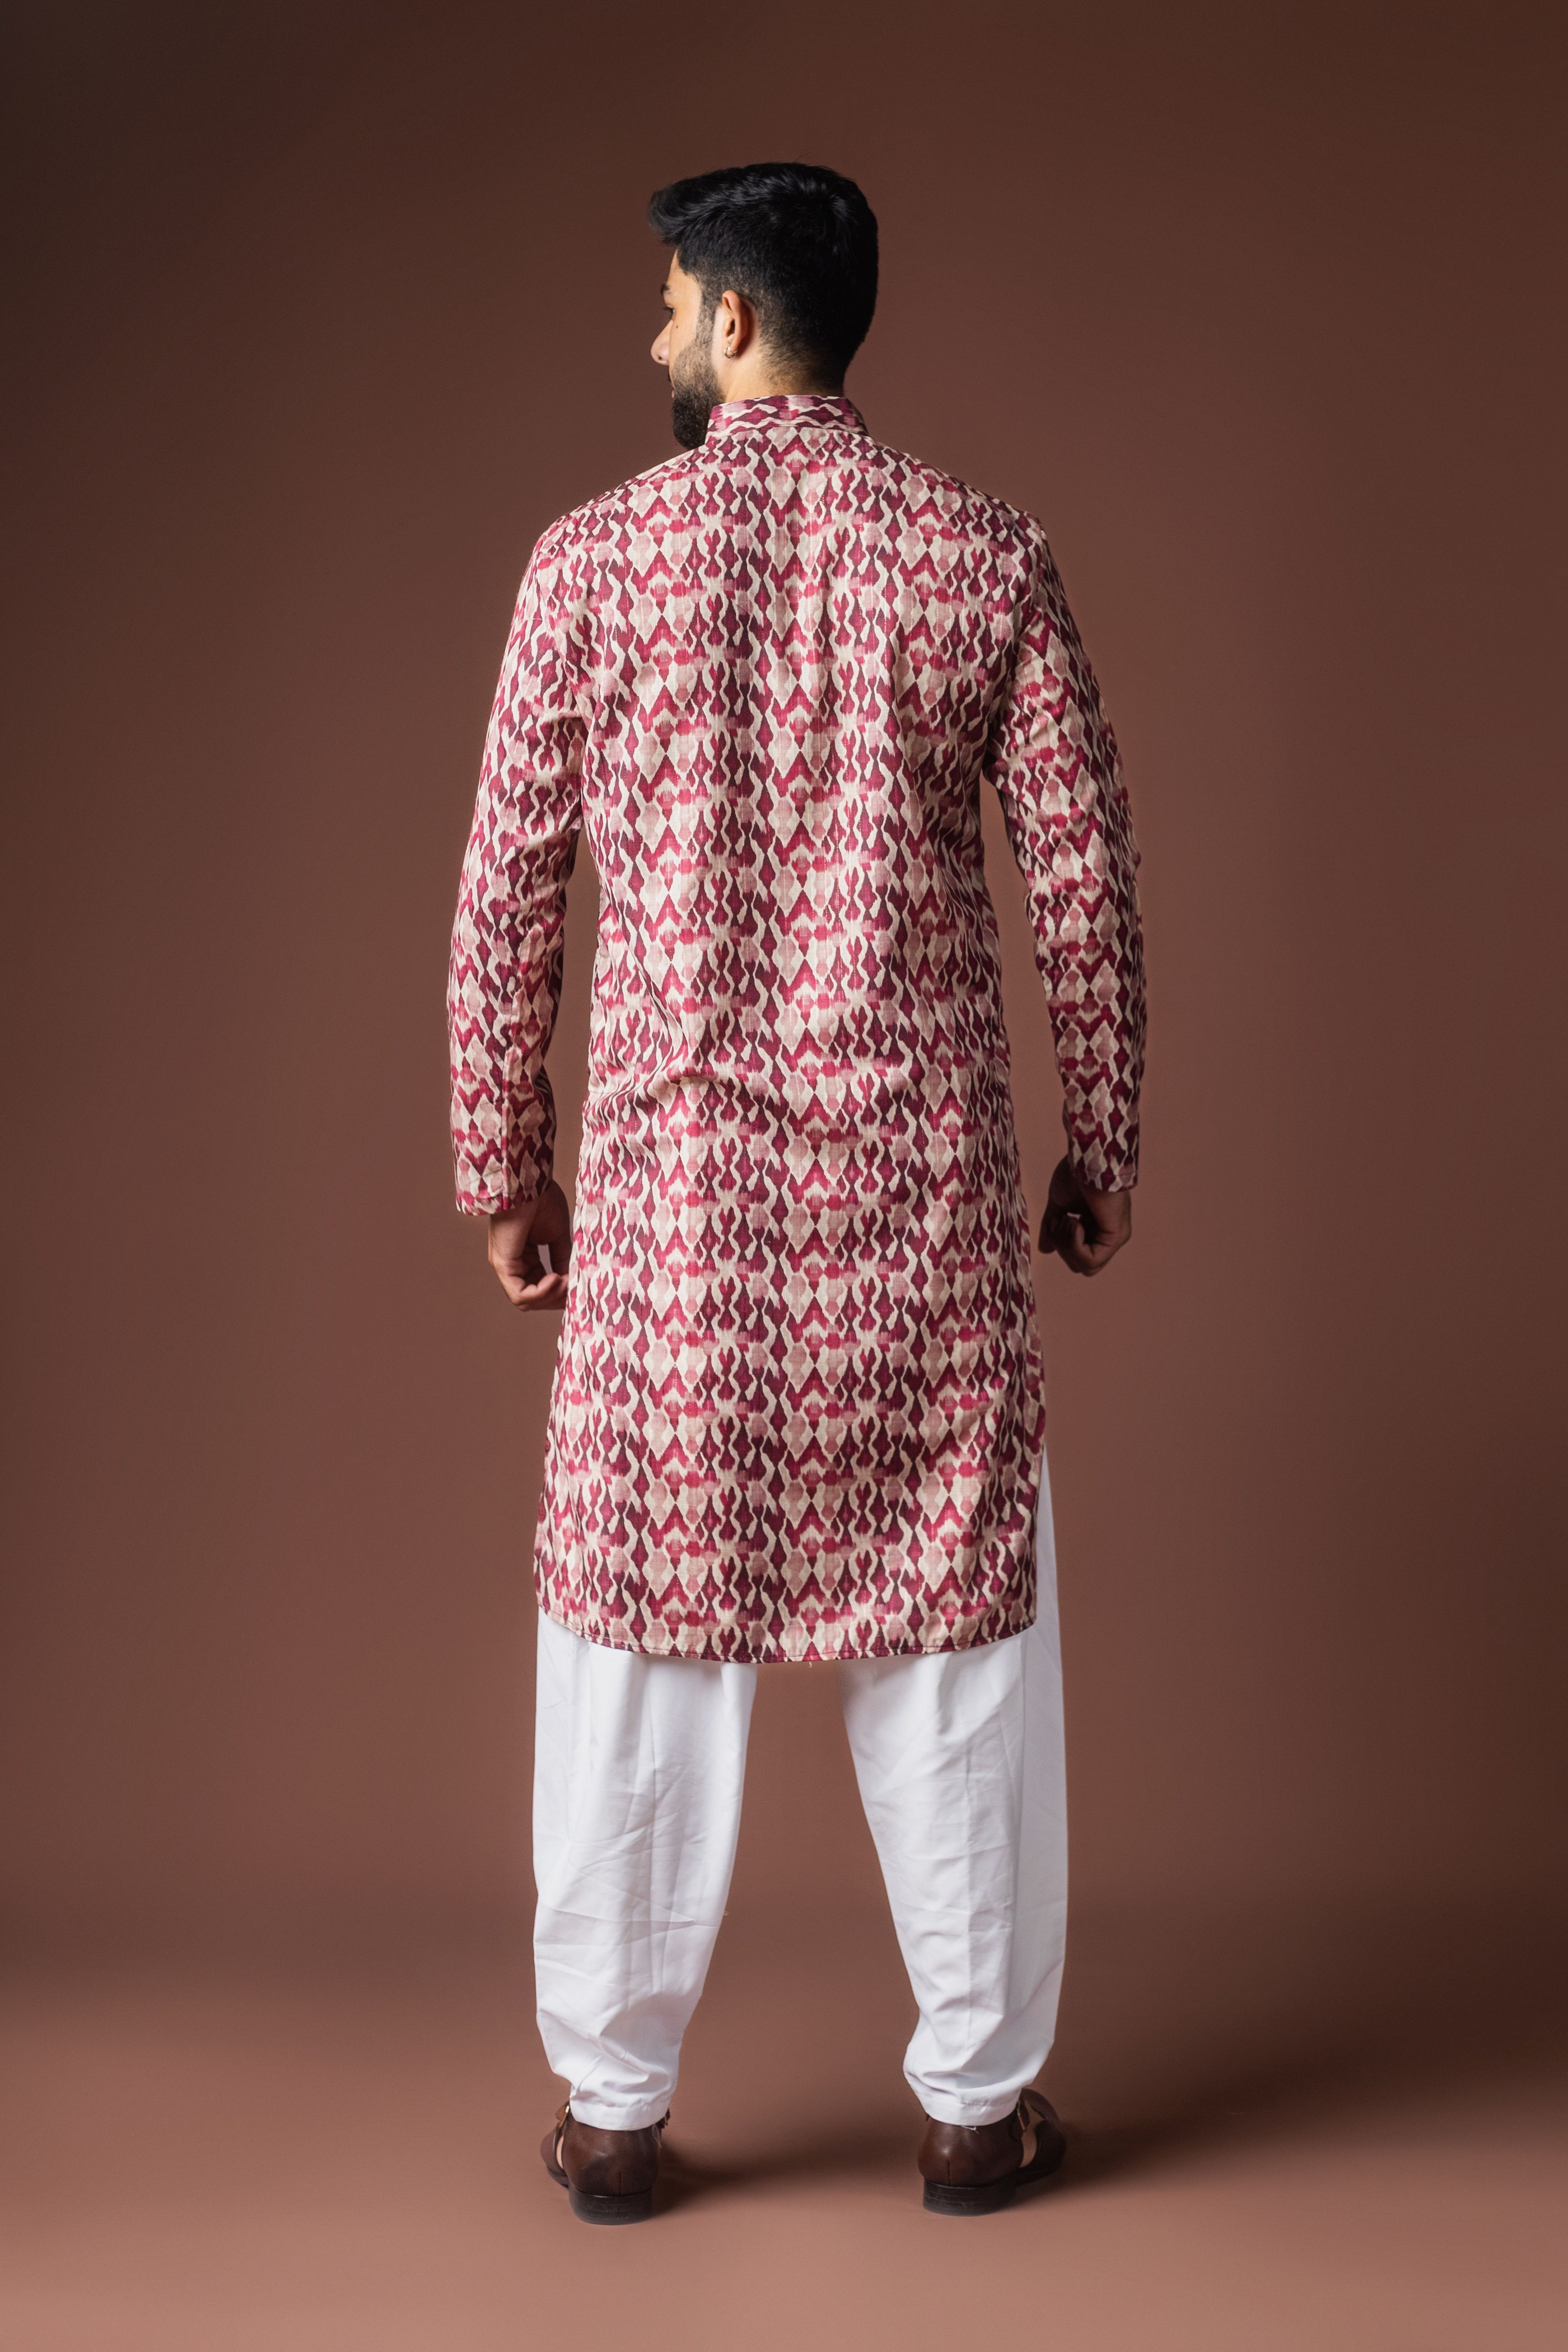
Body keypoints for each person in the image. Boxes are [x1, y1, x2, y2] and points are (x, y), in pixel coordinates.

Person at [447, 161, 1145, 2224]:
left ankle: (613, 2114)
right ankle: (976, 2112)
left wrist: (506, 1161)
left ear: (739, 321)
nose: (659, 332)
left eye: (674, 300)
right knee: (959, 1660)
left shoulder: (590, 564)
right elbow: (1086, 885)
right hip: (916, 1230)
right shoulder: (983, 558)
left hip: (673, 1242)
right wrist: (1101, 1142)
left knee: (634, 1664)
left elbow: (507, 895)